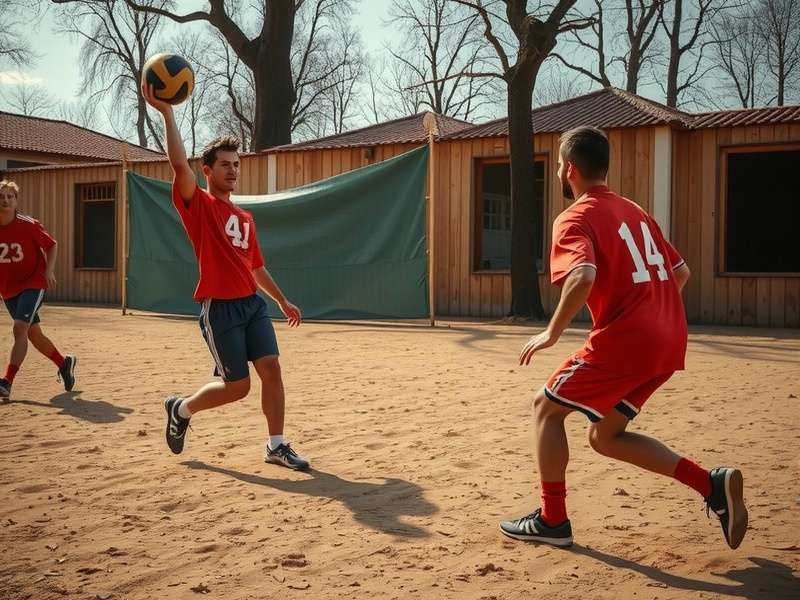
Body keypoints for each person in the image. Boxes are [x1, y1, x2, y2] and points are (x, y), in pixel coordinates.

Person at [499, 126, 747, 549]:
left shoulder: (574, 217)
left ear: (570, 169)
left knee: (545, 409)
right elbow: (681, 272)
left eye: (559, 163)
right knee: (605, 436)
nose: (559, 170)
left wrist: (551, 331)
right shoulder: (635, 211)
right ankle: (710, 484)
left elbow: (582, 275)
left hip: (628, 340)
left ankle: (552, 521)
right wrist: (653, 312)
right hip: (669, 340)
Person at [142, 82, 309, 470]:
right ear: (208, 170)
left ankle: (276, 445)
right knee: (238, 388)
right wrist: (168, 113)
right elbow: (179, 165)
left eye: (237, 164)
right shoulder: (197, 204)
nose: (233, 170)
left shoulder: (245, 217)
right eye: (225, 164)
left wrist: (281, 300)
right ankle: (181, 409)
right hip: (220, 310)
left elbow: (255, 266)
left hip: (251, 306)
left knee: (272, 369)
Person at [0, 180, 76, 401]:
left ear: (16, 201)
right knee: (33, 334)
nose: (5, 200)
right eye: (1, 196)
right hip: (8, 289)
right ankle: (64, 363)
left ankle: (6, 381)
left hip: (34, 282)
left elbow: (52, 244)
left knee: (19, 328)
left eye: (9, 196)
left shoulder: (29, 225)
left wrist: (49, 271)